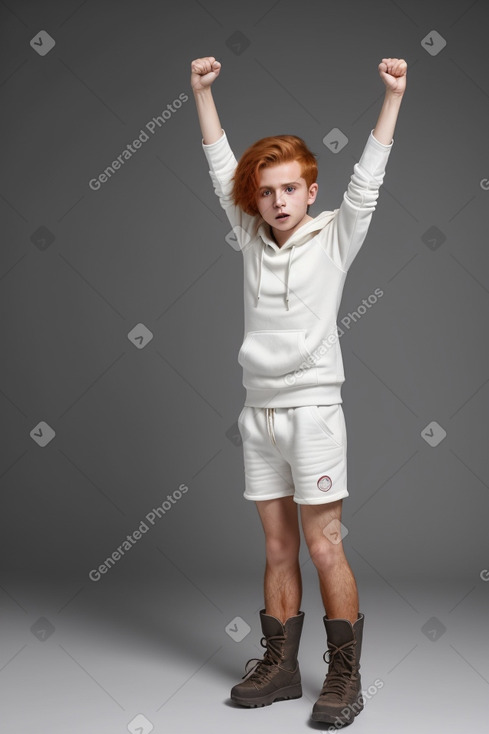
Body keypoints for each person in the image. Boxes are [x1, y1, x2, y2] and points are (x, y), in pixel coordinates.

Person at [190, 54, 407, 726]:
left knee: (323, 545)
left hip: (313, 412)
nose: (278, 201)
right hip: (258, 414)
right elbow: (219, 166)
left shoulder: (336, 236)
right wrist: (200, 93)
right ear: (254, 199)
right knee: (277, 548)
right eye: (266, 191)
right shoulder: (251, 239)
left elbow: (368, 179)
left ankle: (344, 676)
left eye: (290, 188)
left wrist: (391, 95)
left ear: (311, 191)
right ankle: (280, 666)